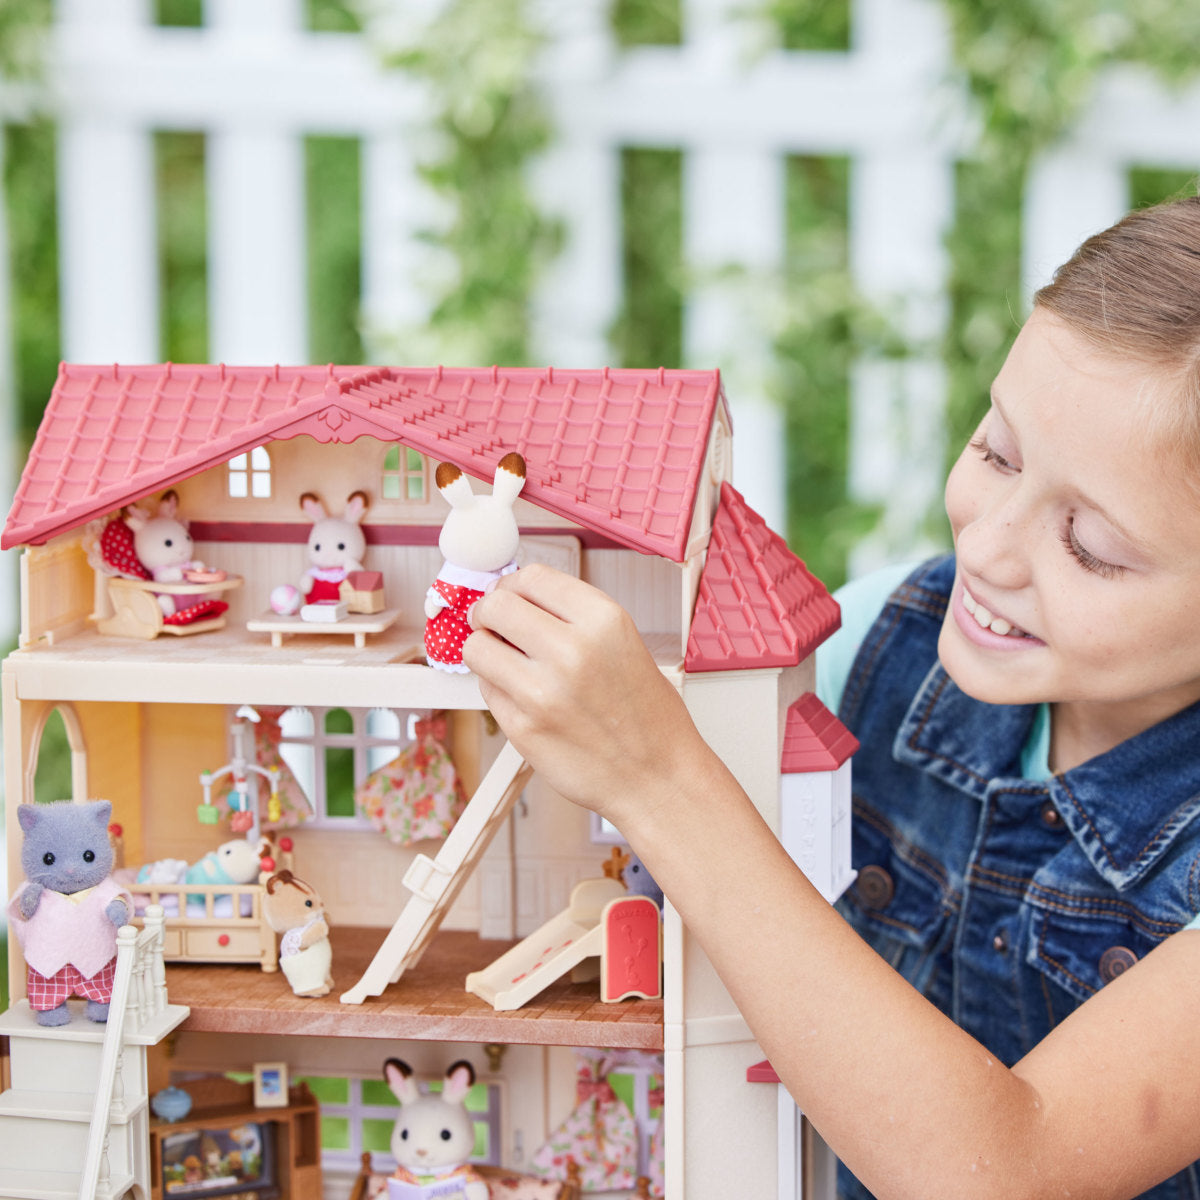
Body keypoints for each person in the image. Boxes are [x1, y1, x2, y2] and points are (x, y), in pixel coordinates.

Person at [463, 196, 1200, 1200]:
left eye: (1091, 546)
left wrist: (660, 778)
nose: (985, 548)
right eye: (997, 451)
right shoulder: (871, 642)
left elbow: (1002, 1176)